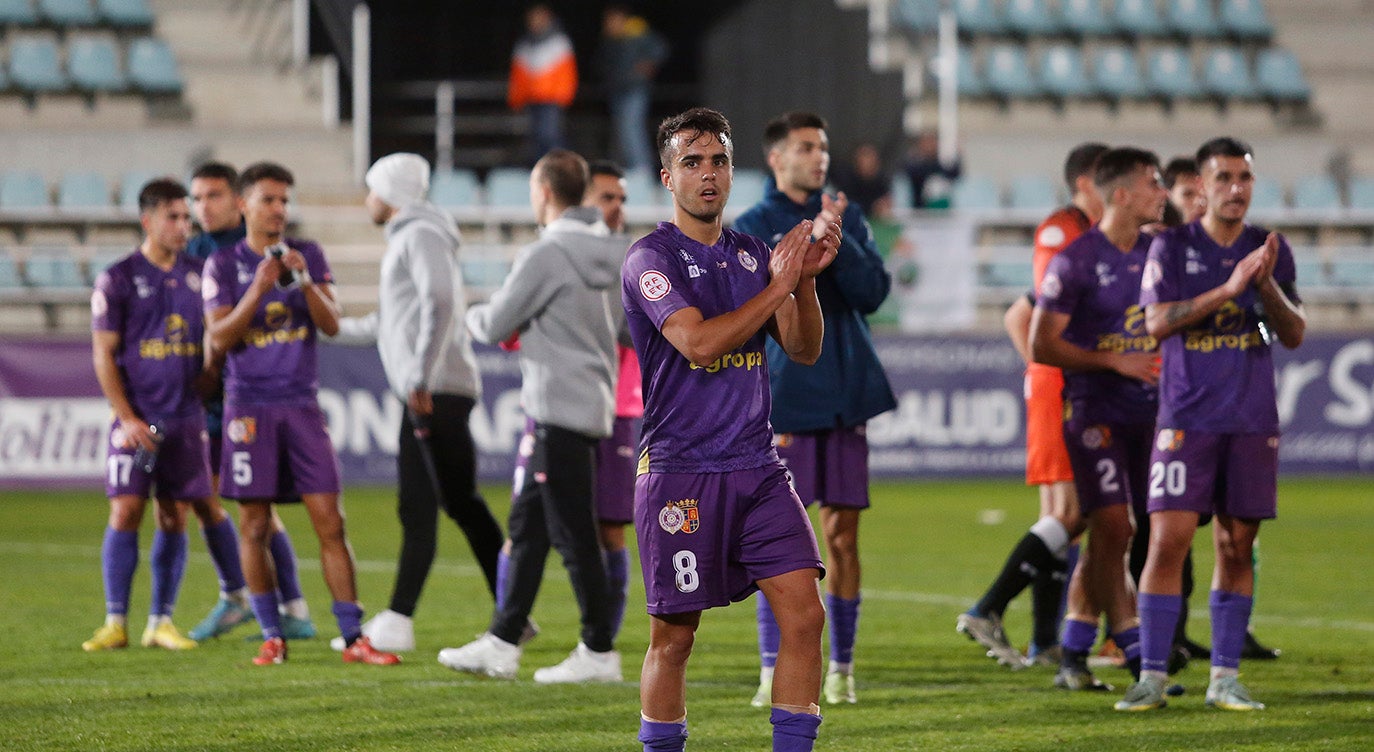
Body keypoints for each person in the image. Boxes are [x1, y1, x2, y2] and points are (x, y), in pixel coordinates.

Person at [625, 107, 842, 752]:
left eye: (718, 160)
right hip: (680, 472)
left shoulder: (752, 255)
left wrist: (801, 285)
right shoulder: (650, 257)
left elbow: (803, 349)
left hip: (757, 467)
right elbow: (697, 344)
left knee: (805, 616)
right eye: (692, 162)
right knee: (675, 636)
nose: (708, 174)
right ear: (668, 176)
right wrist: (779, 286)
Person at [1116, 136, 1305, 712]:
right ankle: (1151, 673)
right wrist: (1228, 289)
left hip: (1250, 419)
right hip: (1185, 417)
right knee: (1169, 541)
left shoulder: (1270, 249)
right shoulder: (1172, 248)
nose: (1236, 189)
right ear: (1201, 186)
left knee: (1237, 544)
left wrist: (1265, 283)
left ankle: (1224, 676)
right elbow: (1155, 324)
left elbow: (1294, 333)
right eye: (1223, 178)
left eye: (1244, 178)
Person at [438, 149, 626, 683]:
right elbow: (625, 330)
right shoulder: (616, 254)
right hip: (590, 403)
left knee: (573, 536)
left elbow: (497, 323)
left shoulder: (546, 254)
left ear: (544, 192)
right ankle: (503, 640)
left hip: (555, 410)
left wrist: (468, 315)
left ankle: (598, 650)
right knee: (527, 529)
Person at [202, 162, 400, 667]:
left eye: (284, 201)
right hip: (248, 408)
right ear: (244, 205)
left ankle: (353, 637)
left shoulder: (307, 255)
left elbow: (332, 325)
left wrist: (304, 281)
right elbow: (219, 338)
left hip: (301, 406)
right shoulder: (222, 266)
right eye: (268, 200)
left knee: (330, 522)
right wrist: (261, 287)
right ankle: (272, 634)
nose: (279, 210)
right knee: (253, 525)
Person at [733, 111, 896, 707]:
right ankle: (771, 667)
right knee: (778, 541)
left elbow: (873, 293)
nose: (819, 156)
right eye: (806, 147)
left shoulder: (846, 218)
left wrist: (838, 234)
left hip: (846, 393)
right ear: (777, 158)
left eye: (823, 147)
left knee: (844, 537)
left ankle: (843, 668)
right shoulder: (752, 224)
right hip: (787, 398)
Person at [321, 153, 505, 653]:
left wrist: (419, 375)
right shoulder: (414, 235)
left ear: (392, 193)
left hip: (433, 388)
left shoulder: (418, 234)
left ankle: (401, 618)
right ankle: (512, 611)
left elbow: (441, 302)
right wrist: (327, 327)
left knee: (423, 507)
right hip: (435, 386)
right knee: (458, 504)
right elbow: (389, 322)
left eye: (372, 189)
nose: (367, 200)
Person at [959, 142, 1109, 667]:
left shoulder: (1092, 238)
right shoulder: (1062, 230)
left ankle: (1045, 641)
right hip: (1066, 388)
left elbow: (1016, 313)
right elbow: (1046, 309)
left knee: (1059, 517)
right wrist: (1049, 371)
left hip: (1065, 384)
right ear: (1088, 182)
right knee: (1075, 513)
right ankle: (988, 607)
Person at [1030, 147, 1168, 690]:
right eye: (1153, 184)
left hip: (1152, 414)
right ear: (1121, 195)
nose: (1161, 193)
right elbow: (1042, 342)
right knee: (1115, 525)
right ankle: (1136, 648)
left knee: (1118, 535)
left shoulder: (1161, 252)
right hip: (1094, 414)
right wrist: (1113, 359)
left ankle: (1076, 649)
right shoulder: (1077, 259)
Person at [184, 161, 315, 642]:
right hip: (202, 390)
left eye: (213, 196)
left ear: (237, 201)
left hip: (242, 394)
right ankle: (243, 596)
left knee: (247, 505)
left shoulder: (250, 252)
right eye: (196, 198)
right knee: (209, 500)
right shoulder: (195, 248)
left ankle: (272, 602)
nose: (203, 207)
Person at [82, 178, 208, 653]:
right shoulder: (117, 278)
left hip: (186, 417)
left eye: (186, 217)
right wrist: (126, 418)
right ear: (147, 220)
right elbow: (103, 355)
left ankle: (161, 622)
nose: (183, 226)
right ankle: (115, 621)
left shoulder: (200, 274)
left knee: (174, 515)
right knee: (126, 508)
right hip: (136, 418)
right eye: (173, 217)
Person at [584, 160, 641, 643]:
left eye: (621, 199)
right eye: (607, 197)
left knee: (611, 530)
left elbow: (634, 331)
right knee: (528, 528)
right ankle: (507, 629)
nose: (616, 208)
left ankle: (603, 639)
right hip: (558, 410)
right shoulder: (562, 254)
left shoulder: (634, 258)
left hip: (619, 409)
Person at [596, 5, 668, 175]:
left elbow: (660, 48)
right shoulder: (612, 40)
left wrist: (648, 65)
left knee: (631, 127)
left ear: (621, 19)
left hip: (635, 88)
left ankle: (641, 167)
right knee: (621, 130)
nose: (608, 24)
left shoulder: (637, 33)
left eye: (611, 20)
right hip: (617, 89)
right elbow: (602, 63)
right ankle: (627, 167)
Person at [508, 3, 577, 162]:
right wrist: (516, 99)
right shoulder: (524, 44)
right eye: (532, 19)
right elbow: (518, 76)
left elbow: (567, 73)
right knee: (535, 139)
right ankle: (541, 174)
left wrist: (564, 95)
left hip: (551, 99)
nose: (534, 22)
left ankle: (559, 172)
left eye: (538, 18)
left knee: (551, 136)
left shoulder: (559, 42)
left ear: (547, 18)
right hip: (532, 99)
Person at [902, 130, 961, 209]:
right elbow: (914, 173)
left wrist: (956, 154)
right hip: (920, 210)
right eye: (926, 142)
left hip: (942, 209)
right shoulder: (914, 162)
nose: (929, 145)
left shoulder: (942, 162)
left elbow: (954, 174)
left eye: (932, 142)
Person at [831, 142, 892, 217]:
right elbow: (848, 206)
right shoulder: (847, 180)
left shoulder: (882, 180)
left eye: (871, 160)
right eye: (864, 159)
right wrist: (872, 208)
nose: (868, 164)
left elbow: (885, 202)